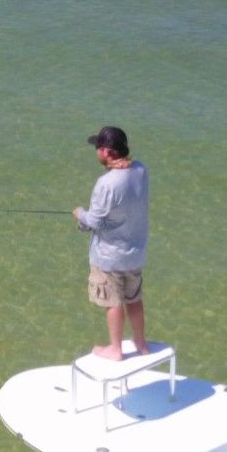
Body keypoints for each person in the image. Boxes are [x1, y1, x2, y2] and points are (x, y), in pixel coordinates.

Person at [72, 124, 150, 360]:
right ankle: (140, 343)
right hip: (135, 253)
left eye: (98, 148)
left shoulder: (106, 183)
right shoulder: (140, 170)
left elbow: (95, 220)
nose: (96, 153)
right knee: (134, 299)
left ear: (106, 151)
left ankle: (115, 349)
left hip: (109, 257)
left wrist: (79, 215)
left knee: (113, 302)